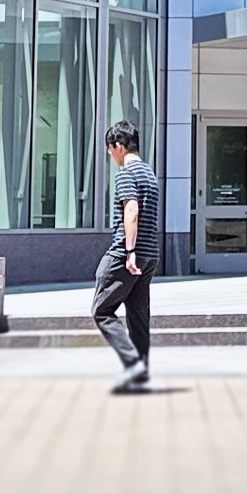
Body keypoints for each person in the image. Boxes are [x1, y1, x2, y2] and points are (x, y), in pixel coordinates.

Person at [95, 120, 162, 394]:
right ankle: (140, 372)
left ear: (119, 146)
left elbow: (131, 211)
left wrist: (129, 251)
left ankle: (133, 363)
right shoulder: (150, 173)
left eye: (110, 150)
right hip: (150, 254)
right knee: (138, 315)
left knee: (101, 310)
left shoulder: (125, 173)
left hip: (128, 252)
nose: (110, 155)